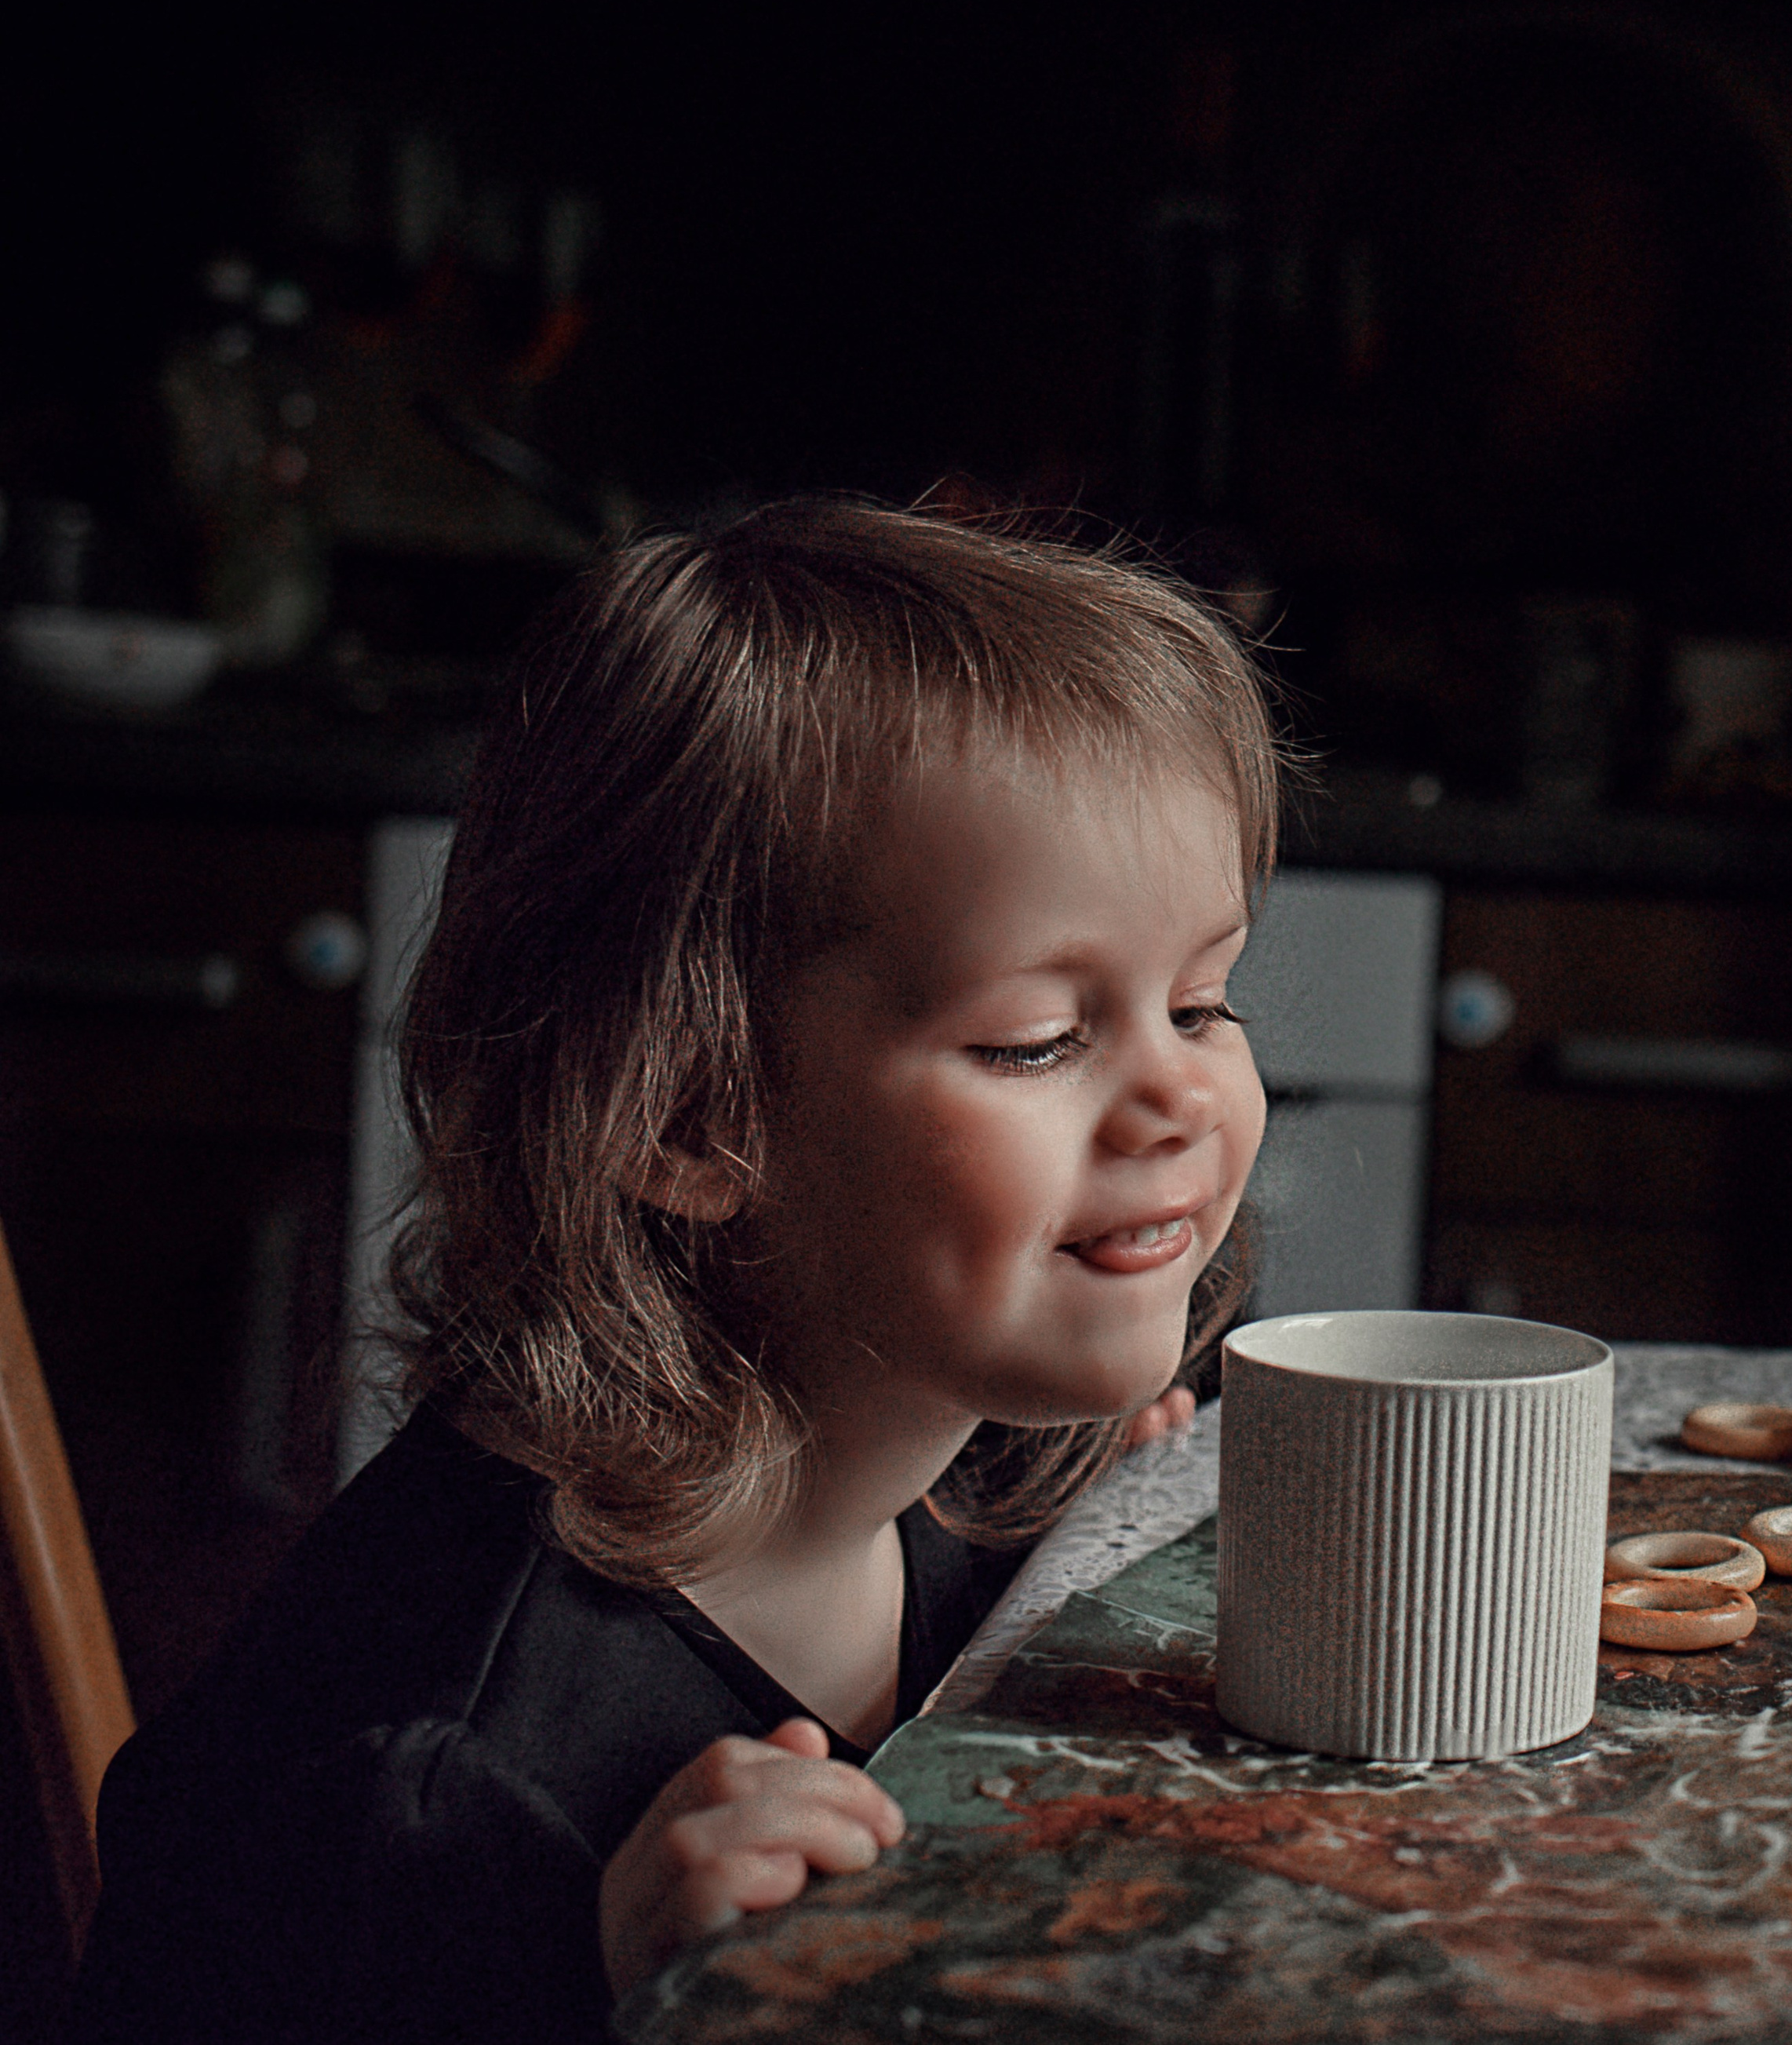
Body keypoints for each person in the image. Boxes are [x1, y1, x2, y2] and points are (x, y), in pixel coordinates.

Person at [71, 497, 1281, 2043]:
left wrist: (1059, 1592)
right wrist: (609, 1998)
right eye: (1034, 1039)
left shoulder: (933, 1474)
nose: (1180, 1096)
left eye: (1201, 1003)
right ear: (692, 1114)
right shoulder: (437, 1778)